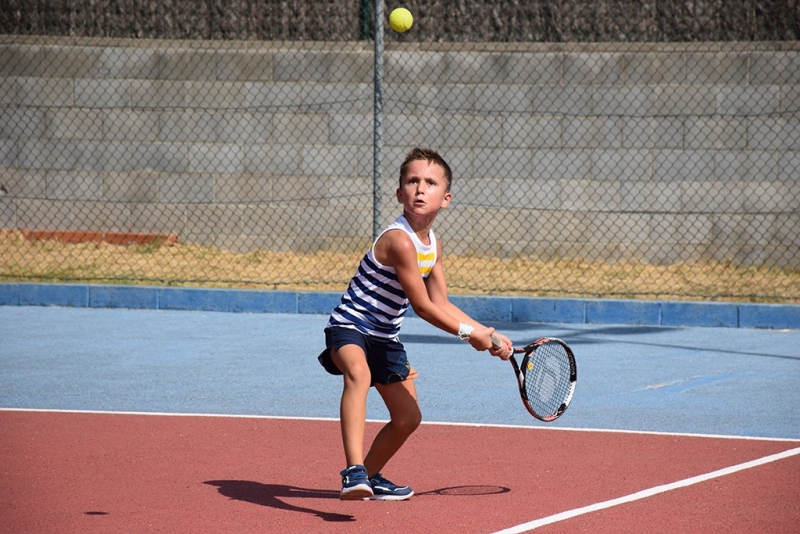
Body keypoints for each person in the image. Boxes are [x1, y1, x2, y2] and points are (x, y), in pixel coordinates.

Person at [317, 147, 513, 501]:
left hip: (385, 338)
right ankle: (353, 471)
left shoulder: (432, 245)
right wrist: (471, 335)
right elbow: (422, 307)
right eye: (412, 181)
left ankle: (371, 475)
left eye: (430, 183)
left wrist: (491, 333)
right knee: (358, 374)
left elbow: (442, 302)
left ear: (446, 198)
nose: (420, 189)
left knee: (408, 417)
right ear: (399, 193)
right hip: (349, 328)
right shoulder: (399, 241)